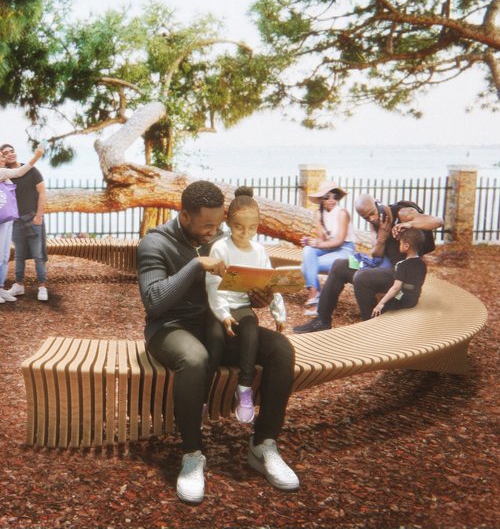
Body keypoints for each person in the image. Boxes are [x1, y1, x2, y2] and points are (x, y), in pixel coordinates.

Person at [139, 180, 299, 504]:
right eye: (207, 226)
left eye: (218, 223)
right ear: (184, 216)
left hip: (218, 327)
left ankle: (263, 444)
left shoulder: (224, 240)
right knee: (195, 357)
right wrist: (196, 264)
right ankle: (192, 455)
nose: (214, 232)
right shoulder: (155, 243)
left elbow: (231, 293)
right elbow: (154, 301)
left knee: (282, 350)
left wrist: (259, 297)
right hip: (170, 328)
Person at [294, 195, 443, 333]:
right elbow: (376, 254)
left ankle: (371, 326)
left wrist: (409, 224)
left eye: (372, 213)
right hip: (385, 270)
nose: (372, 219)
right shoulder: (374, 224)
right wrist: (382, 239)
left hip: (402, 276)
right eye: (366, 217)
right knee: (339, 265)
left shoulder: (401, 213)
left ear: (377, 203)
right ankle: (322, 320)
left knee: (362, 277)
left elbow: (437, 221)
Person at [205, 186, 288, 425]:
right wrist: (222, 314)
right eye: (239, 227)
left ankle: (244, 388)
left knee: (251, 325)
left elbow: (270, 282)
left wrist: (278, 314)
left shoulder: (260, 250)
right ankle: (202, 398)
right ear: (229, 222)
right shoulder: (221, 247)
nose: (245, 233)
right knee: (213, 342)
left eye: (252, 228)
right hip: (219, 307)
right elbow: (213, 284)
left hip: (242, 307)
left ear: (258, 226)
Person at [0, 145, 45, 304]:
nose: (2, 159)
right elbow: (19, 172)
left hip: (7, 220)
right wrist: (36, 156)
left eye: (1, 156)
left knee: (3, 255)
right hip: (0, 221)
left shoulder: (1, 173)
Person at [0, 143, 50, 301]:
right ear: (3, 158)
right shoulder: (5, 176)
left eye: (11, 151)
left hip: (33, 217)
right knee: (19, 255)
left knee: (38, 254)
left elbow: (42, 193)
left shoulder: (31, 170)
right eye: (5, 153)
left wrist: (39, 216)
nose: (10, 154)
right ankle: (19, 285)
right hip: (16, 220)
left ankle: (42, 286)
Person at [299, 181, 353, 316]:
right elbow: (322, 240)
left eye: (334, 197)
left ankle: (314, 296)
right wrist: (310, 241)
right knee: (307, 250)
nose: (331, 200)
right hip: (329, 247)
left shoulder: (342, 213)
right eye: (327, 197)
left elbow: (339, 241)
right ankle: (315, 293)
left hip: (345, 250)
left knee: (306, 266)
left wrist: (317, 244)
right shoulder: (319, 213)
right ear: (321, 199)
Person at [355, 228, 430, 321]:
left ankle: (372, 323)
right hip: (414, 298)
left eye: (400, 243)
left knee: (384, 308)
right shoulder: (422, 265)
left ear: (406, 246)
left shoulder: (402, 265)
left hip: (403, 297)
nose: (400, 246)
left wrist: (381, 303)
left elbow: (396, 288)